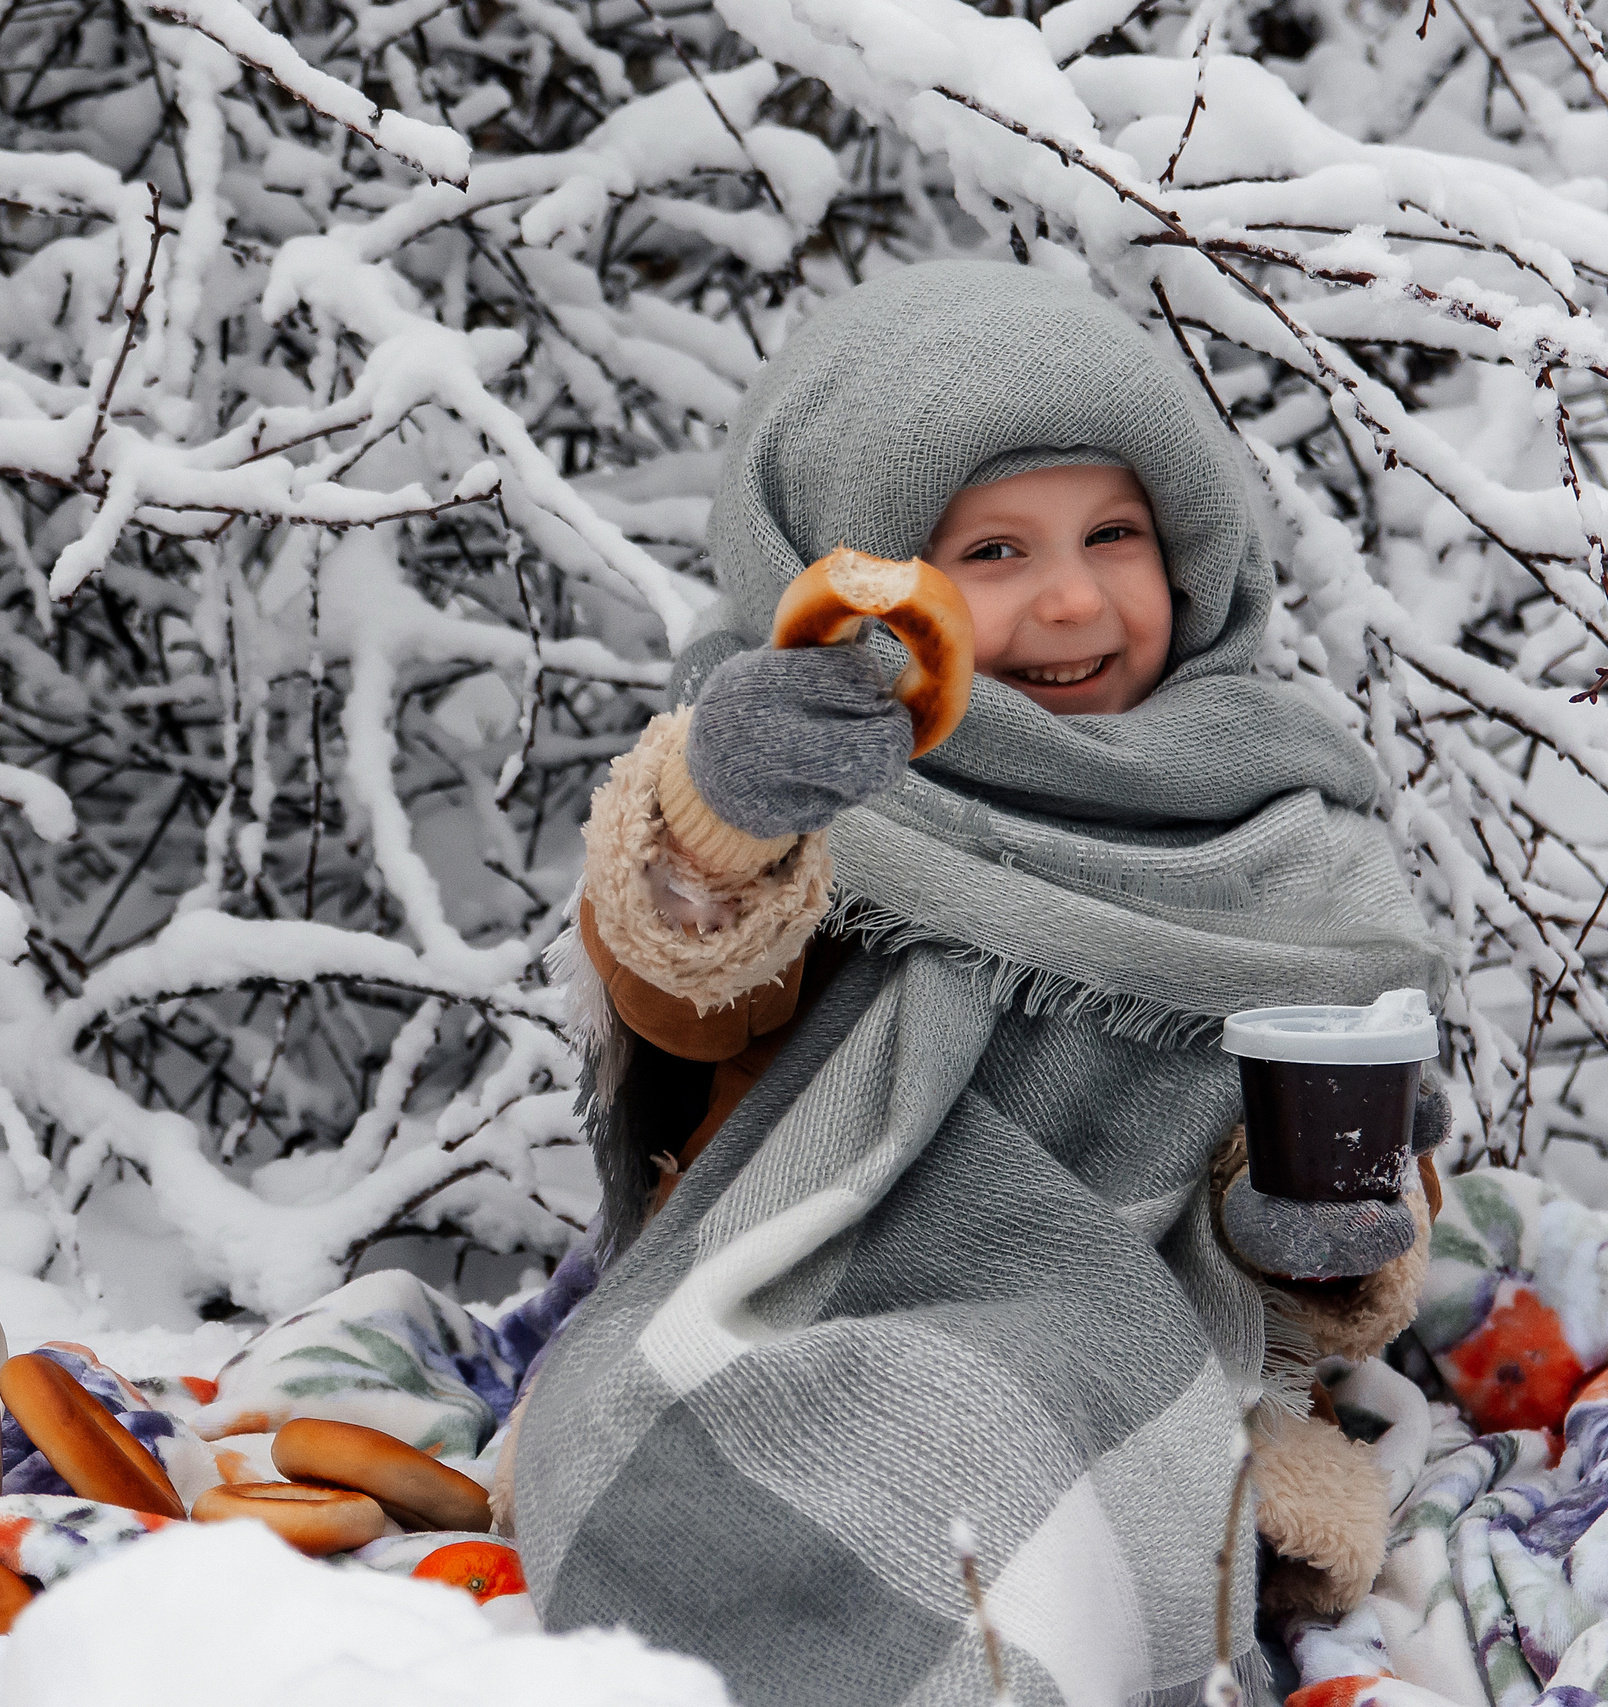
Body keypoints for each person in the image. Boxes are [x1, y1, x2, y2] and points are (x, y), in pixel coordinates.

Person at [498, 260, 1447, 1706]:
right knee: (778, 1433)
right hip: (808, 1283)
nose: (1070, 598)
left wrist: (1311, 1244)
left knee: (1035, 1461)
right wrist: (720, 823)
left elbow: (1349, 1177)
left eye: (1114, 533)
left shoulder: (1278, 817)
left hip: (1136, 1328)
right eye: (992, 552)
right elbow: (688, 993)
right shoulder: (810, 768)